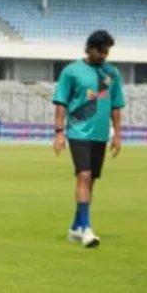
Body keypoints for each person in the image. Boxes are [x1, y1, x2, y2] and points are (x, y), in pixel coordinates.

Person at [52, 29, 125, 249]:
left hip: (100, 134)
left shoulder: (111, 73)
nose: (103, 55)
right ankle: (86, 228)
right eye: (100, 51)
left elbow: (116, 105)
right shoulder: (71, 71)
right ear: (89, 48)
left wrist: (117, 134)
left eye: (106, 52)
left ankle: (76, 226)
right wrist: (59, 132)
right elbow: (61, 102)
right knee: (83, 176)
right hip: (78, 132)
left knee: (90, 180)